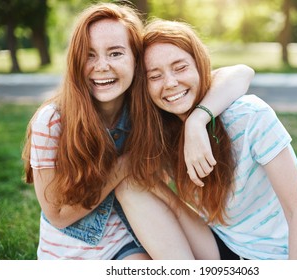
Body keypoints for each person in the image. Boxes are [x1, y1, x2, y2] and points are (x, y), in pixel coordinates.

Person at [21, 3, 254, 260]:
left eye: (115, 53)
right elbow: (58, 215)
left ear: (136, 59)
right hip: (70, 248)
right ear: (76, 60)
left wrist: (197, 120)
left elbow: (241, 73)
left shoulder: (148, 107)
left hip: (130, 237)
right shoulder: (52, 122)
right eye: (90, 55)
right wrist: (125, 165)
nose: (101, 66)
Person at [126, 19, 297, 260]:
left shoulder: (250, 115)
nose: (170, 83)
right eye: (155, 76)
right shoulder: (164, 130)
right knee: (129, 185)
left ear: (200, 66)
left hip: (279, 256)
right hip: (223, 246)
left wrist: (197, 120)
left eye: (180, 68)